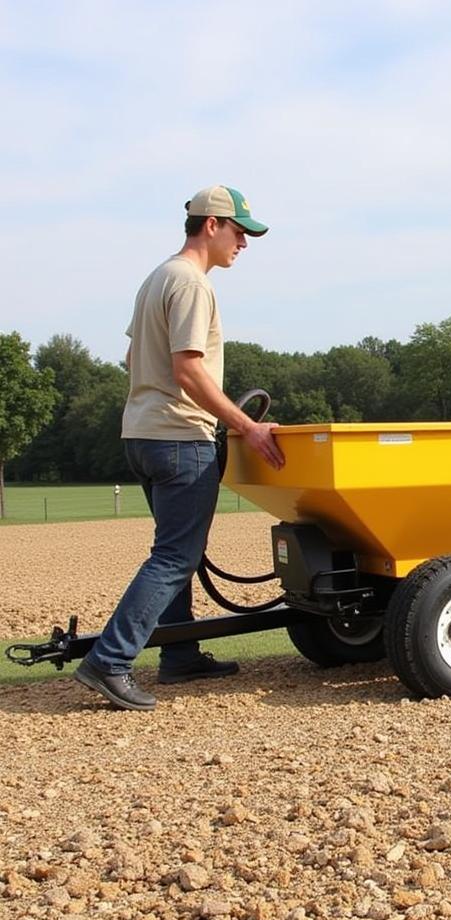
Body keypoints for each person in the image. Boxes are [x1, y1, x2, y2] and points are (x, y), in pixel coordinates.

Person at [74, 185, 285, 711]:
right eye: (240, 232)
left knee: (175, 551)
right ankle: (110, 661)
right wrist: (247, 426)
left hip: (141, 434)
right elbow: (187, 368)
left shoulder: (157, 277)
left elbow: (132, 359)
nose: (244, 243)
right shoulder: (192, 284)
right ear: (211, 224)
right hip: (177, 438)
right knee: (175, 555)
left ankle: (180, 655)